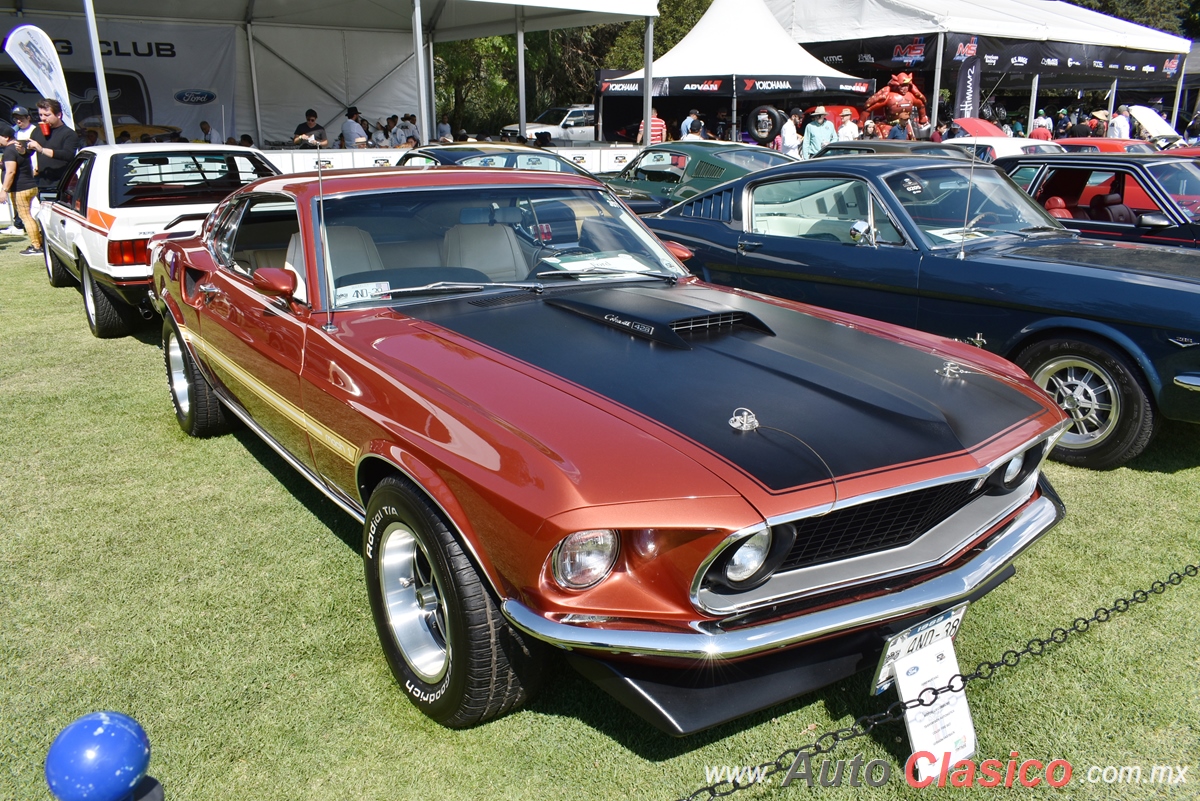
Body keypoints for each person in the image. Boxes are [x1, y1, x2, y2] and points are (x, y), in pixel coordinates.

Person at [27, 98, 79, 207]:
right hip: (43, 182)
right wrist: (23, 150)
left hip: (64, 183)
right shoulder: (37, 131)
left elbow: (68, 155)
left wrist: (42, 150)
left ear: (59, 115)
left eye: (47, 115)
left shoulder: (69, 133)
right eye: (41, 115)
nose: (43, 118)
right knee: (46, 215)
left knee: (63, 215)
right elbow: (29, 152)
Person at [0, 121, 40, 254]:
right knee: (28, 216)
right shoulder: (19, 146)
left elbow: (11, 171)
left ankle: (36, 246)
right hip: (30, 185)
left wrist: (3, 190)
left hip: (21, 188)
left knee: (26, 217)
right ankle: (37, 243)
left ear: (6, 137)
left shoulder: (10, 150)